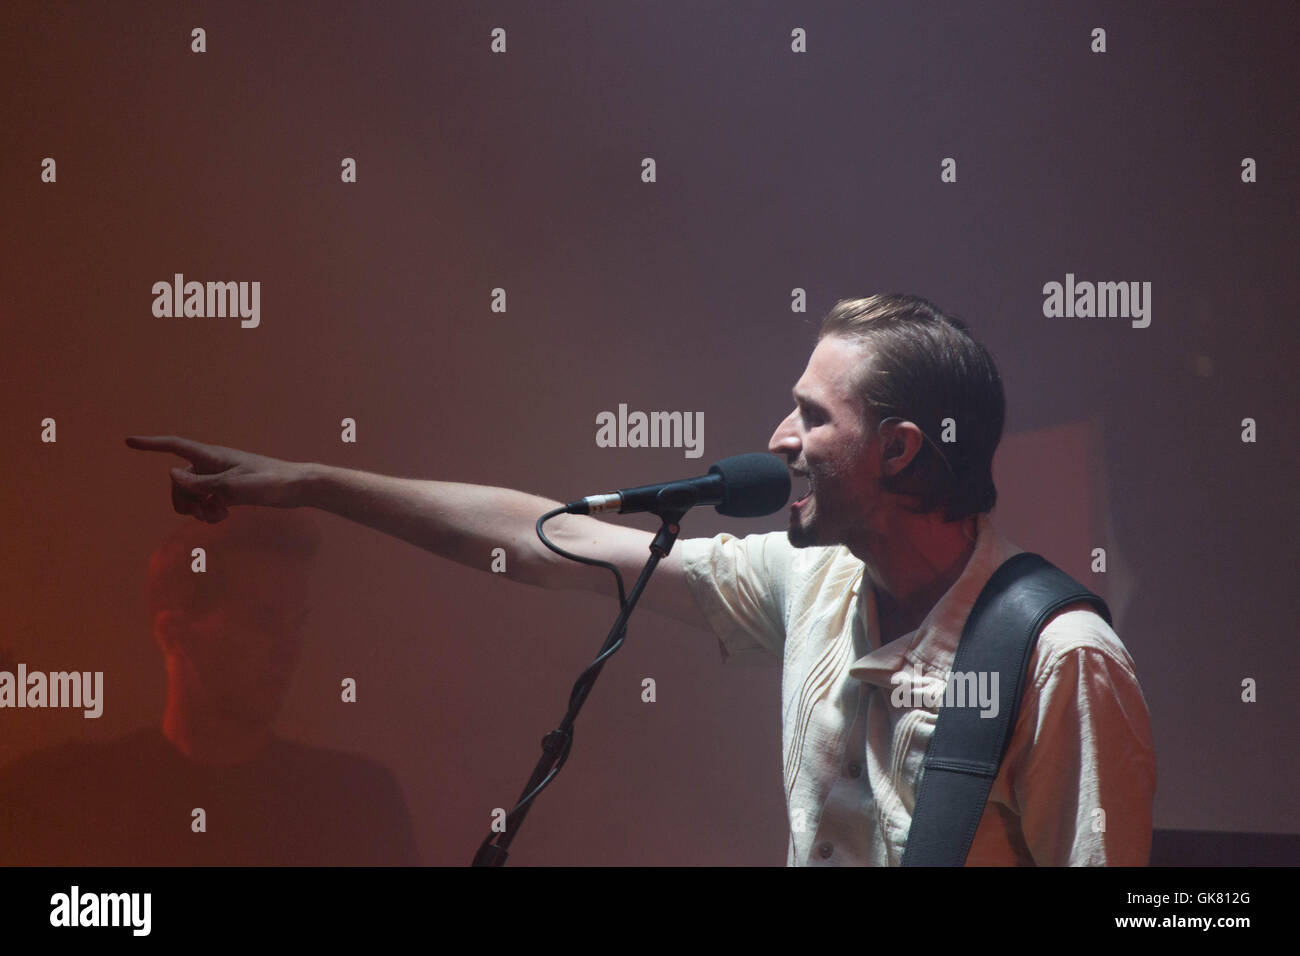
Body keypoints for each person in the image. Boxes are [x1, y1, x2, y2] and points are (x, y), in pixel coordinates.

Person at [124, 293, 1156, 866]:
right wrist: (310, 481)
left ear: (895, 451)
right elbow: (539, 537)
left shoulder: (1058, 657)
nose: (777, 438)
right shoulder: (812, 585)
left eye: (812, 415)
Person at [0, 509, 419, 866]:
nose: (289, 649)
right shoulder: (62, 798)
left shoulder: (356, 804)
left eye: (298, 623)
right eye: (262, 621)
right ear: (176, 635)